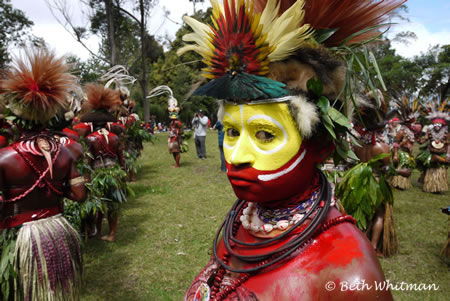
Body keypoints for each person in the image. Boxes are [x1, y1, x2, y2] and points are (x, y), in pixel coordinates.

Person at [177, 0, 403, 299]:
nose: (237, 156)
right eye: (232, 131)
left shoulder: (350, 270)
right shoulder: (243, 220)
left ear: (322, 145)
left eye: (265, 135)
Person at [0, 48, 86, 300]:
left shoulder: (4, 158)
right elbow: (80, 195)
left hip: (20, 238)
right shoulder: (66, 152)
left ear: (16, 116)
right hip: (58, 231)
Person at [81, 84, 127, 242]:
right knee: (113, 204)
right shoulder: (114, 137)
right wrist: (123, 173)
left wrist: (86, 179)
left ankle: (98, 231)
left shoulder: (90, 138)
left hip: (98, 174)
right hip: (114, 173)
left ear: (93, 124)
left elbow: (87, 161)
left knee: (99, 205)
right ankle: (112, 233)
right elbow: (122, 158)